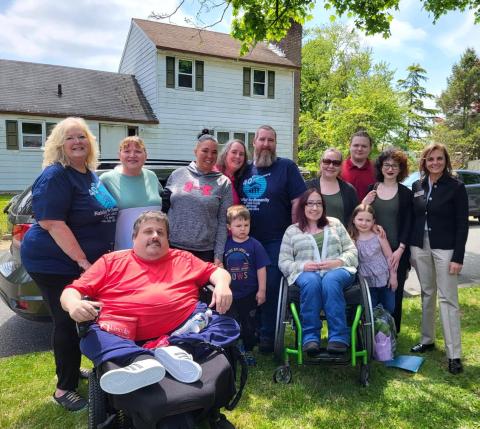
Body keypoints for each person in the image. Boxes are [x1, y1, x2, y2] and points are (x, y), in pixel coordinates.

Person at [60, 211, 236, 394]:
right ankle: (141, 361)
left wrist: (223, 285)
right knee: (92, 338)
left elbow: (216, 272)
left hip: (182, 327)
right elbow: (71, 291)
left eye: (160, 232)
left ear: (168, 240)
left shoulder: (183, 258)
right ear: (134, 238)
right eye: (148, 231)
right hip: (122, 332)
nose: (155, 236)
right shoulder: (110, 262)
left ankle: (176, 349)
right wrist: (73, 304)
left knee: (226, 325)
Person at [20, 117, 118, 411]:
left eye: (82, 137)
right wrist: (82, 260)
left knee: (81, 320)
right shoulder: (56, 175)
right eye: (70, 138)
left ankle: (73, 371)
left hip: (80, 263)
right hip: (55, 262)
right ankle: (64, 388)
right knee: (66, 321)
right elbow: (52, 222)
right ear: (59, 145)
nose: (78, 142)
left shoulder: (87, 174)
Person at [239, 125, 306, 353]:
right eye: (262, 140)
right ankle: (250, 332)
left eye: (271, 140)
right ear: (254, 143)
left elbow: (299, 200)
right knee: (246, 286)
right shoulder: (244, 171)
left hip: (276, 240)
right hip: (245, 241)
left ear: (275, 144)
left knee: (271, 286)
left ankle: (269, 335)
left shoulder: (286, 167)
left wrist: (294, 234)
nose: (266, 144)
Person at [409, 143, 468, 375]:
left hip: (445, 249)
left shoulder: (456, 187)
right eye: (430, 159)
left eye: (439, 159)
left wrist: (458, 257)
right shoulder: (417, 185)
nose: (435, 163)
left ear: (446, 161)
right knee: (427, 293)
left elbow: (463, 224)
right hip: (420, 247)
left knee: (448, 299)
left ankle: (454, 355)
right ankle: (427, 339)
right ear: (424, 161)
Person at [278, 188, 358, 354]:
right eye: (310, 203)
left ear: (323, 206)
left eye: (318, 203)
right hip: (306, 275)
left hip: (338, 271)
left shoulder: (335, 224)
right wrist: (302, 267)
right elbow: (283, 262)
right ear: (303, 206)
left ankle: (338, 337)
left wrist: (338, 262)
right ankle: (310, 338)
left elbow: (352, 251)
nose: (314, 208)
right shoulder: (292, 231)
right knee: (312, 281)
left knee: (330, 280)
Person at [164, 130, 232, 265]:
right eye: (205, 151)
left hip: (204, 252)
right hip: (173, 248)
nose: (209, 156)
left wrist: (218, 256)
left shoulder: (224, 183)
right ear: (195, 151)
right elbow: (164, 211)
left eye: (214, 152)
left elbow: (222, 223)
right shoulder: (177, 175)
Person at [362, 148, 412, 331]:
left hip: (397, 251)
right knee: (373, 291)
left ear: (400, 169)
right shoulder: (372, 189)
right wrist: (365, 202)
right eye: (387, 165)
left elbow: (409, 223)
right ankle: (372, 330)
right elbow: (361, 216)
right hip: (372, 250)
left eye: (395, 166)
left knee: (394, 290)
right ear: (381, 167)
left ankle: (392, 333)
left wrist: (401, 250)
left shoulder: (406, 193)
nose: (390, 169)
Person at [223, 205, 270, 365]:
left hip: (249, 293)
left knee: (249, 324)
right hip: (230, 294)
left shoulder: (255, 245)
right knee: (232, 322)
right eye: (238, 226)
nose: (243, 229)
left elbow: (261, 268)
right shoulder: (225, 245)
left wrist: (262, 290)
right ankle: (235, 349)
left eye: (246, 225)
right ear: (229, 227)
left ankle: (249, 350)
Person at [100, 136, 162, 250]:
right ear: (119, 155)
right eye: (127, 151)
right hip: (124, 250)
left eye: (138, 151)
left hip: (155, 249)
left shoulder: (152, 176)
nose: (132, 155)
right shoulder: (106, 179)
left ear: (146, 155)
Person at [348, 204, 397, 314]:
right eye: (360, 219)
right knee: (371, 310)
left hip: (385, 278)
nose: (364, 223)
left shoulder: (379, 235)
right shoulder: (351, 238)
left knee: (389, 307)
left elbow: (390, 257)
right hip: (366, 281)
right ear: (353, 220)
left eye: (368, 220)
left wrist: (393, 276)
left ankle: (386, 330)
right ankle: (374, 331)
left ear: (373, 221)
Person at [306, 148, 358, 227]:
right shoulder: (307, 187)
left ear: (341, 166)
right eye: (327, 161)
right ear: (321, 163)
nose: (331, 166)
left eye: (336, 163)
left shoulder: (349, 190)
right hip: (312, 237)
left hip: (340, 237)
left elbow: (356, 217)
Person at [341, 130, 376, 201]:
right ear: (349, 146)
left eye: (364, 146)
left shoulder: (378, 169)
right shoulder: (338, 168)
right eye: (356, 145)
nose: (360, 149)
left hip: (370, 211)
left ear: (370, 148)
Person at [216, 139, 248, 205]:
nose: (237, 156)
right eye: (234, 152)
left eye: (241, 154)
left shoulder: (240, 179)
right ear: (226, 154)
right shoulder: (214, 173)